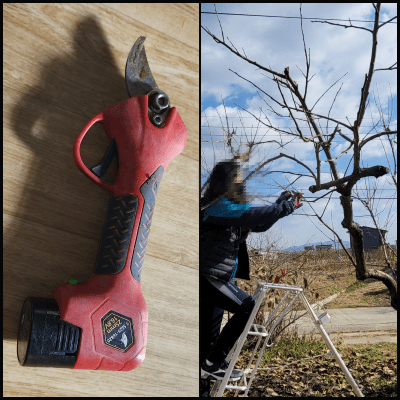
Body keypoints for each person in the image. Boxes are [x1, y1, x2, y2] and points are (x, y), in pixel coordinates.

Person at [200, 159, 301, 396]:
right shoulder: (215, 207)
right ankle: (214, 363)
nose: (241, 182)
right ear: (225, 182)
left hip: (218, 280)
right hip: (208, 278)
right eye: (237, 178)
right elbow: (254, 214)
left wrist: (280, 205)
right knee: (247, 306)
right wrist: (286, 207)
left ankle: (203, 385)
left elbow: (260, 224)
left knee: (206, 343)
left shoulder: (230, 211)